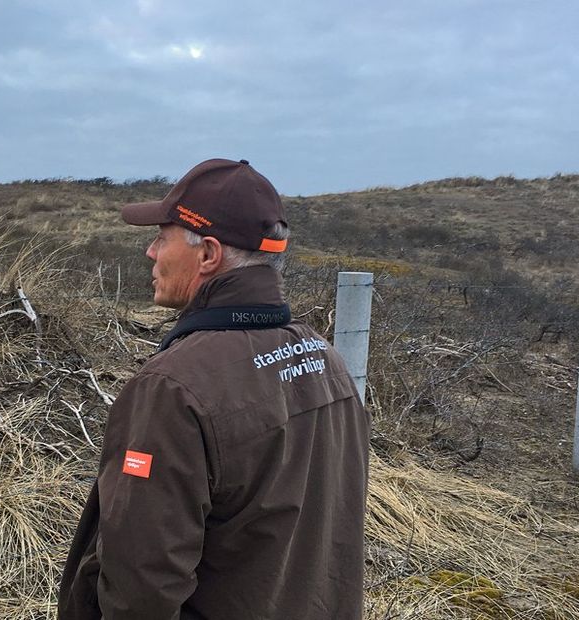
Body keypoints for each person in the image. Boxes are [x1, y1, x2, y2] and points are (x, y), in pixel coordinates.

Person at [58, 159, 370, 619]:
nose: (150, 252)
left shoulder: (172, 389)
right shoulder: (325, 360)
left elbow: (141, 589)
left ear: (207, 254)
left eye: (161, 238)